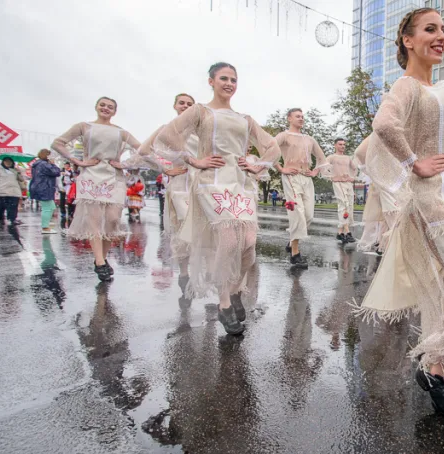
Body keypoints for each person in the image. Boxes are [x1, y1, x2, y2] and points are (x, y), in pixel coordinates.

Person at [354, 8, 444, 417]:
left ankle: (437, 365)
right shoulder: (407, 87)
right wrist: (413, 162)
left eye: (443, 31)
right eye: (430, 30)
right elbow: (384, 125)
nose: (440, 37)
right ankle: (434, 364)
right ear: (408, 40)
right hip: (433, 200)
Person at [150, 62, 280, 336]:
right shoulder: (200, 111)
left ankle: (233, 291)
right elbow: (166, 138)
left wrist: (259, 165)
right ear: (211, 81)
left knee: (249, 245)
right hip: (212, 182)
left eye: (233, 79)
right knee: (229, 240)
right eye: (224, 78)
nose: (229, 83)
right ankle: (223, 305)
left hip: (241, 184)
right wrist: (193, 160)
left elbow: (272, 146)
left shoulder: (245, 118)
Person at [52, 96, 143, 281]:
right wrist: (77, 161)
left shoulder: (121, 132)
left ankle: (102, 257)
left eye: (110, 107)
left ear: (115, 111)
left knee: (112, 219)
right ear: (96, 107)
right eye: (102, 105)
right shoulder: (84, 126)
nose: (106, 108)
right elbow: (57, 143)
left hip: (115, 178)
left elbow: (141, 149)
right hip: (90, 177)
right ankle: (100, 261)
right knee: (94, 220)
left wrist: (124, 164)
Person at [138, 93, 198, 300]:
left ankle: (208, 274)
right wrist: (165, 169)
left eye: (190, 104)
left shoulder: (202, 129)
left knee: (207, 229)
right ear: (175, 106)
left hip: (203, 184)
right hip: (181, 183)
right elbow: (144, 150)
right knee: (184, 231)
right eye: (182, 103)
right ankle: (184, 273)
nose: (186, 106)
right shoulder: (167, 129)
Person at [274, 108, 327, 268]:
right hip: (291, 177)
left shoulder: (309, 139)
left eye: (302, 116)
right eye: (298, 116)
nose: (301, 118)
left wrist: (316, 171)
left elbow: (321, 158)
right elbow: (268, 149)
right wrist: (281, 168)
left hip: (306, 178)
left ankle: (291, 241)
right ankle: (295, 253)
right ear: (289, 118)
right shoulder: (284, 136)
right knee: (297, 212)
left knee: (309, 215)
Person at [323, 138, 359, 244]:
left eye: (344, 144)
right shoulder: (331, 157)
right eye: (340, 144)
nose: (342, 146)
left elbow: (355, 168)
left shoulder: (348, 158)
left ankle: (340, 232)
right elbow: (323, 167)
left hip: (348, 183)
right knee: (343, 204)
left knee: (349, 206)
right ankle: (347, 232)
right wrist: (331, 177)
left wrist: (353, 177)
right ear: (335, 145)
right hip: (338, 183)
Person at [29, 149, 62, 234]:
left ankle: (46, 224)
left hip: (41, 187)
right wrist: (53, 164)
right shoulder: (44, 164)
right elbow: (56, 172)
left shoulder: (37, 164)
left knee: (50, 207)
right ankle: (45, 227)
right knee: (48, 208)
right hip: (45, 187)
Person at [0, 156, 25, 225]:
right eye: (6, 161)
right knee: (0, 207)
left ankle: (12, 219)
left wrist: (19, 173)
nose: (8, 163)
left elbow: (21, 179)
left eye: (10, 161)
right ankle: (0, 218)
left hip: (14, 192)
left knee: (13, 207)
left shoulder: (14, 170)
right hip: (2, 192)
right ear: (3, 162)